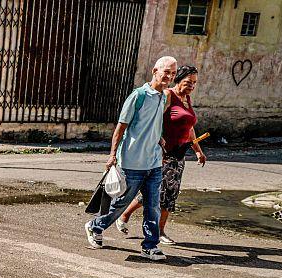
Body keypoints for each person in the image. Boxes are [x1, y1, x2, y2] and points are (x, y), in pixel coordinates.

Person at [84, 56, 177, 261]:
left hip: (153, 162)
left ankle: (150, 246)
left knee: (152, 206)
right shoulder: (138, 96)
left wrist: (159, 139)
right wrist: (112, 156)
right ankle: (95, 226)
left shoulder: (164, 97)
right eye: (166, 72)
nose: (169, 77)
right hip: (132, 162)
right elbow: (121, 127)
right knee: (120, 204)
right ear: (155, 71)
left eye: (172, 73)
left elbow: (153, 123)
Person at [114, 65, 206, 245]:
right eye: (188, 82)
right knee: (157, 193)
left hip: (179, 155)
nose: (191, 86)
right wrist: (157, 143)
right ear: (177, 79)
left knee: (169, 193)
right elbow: (153, 120)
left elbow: (189, 128)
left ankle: (131, 217)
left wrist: (198, 150)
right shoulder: (167, 96)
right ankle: (153, 229)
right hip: (163, 153)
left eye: (194, 83)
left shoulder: (186, 98)